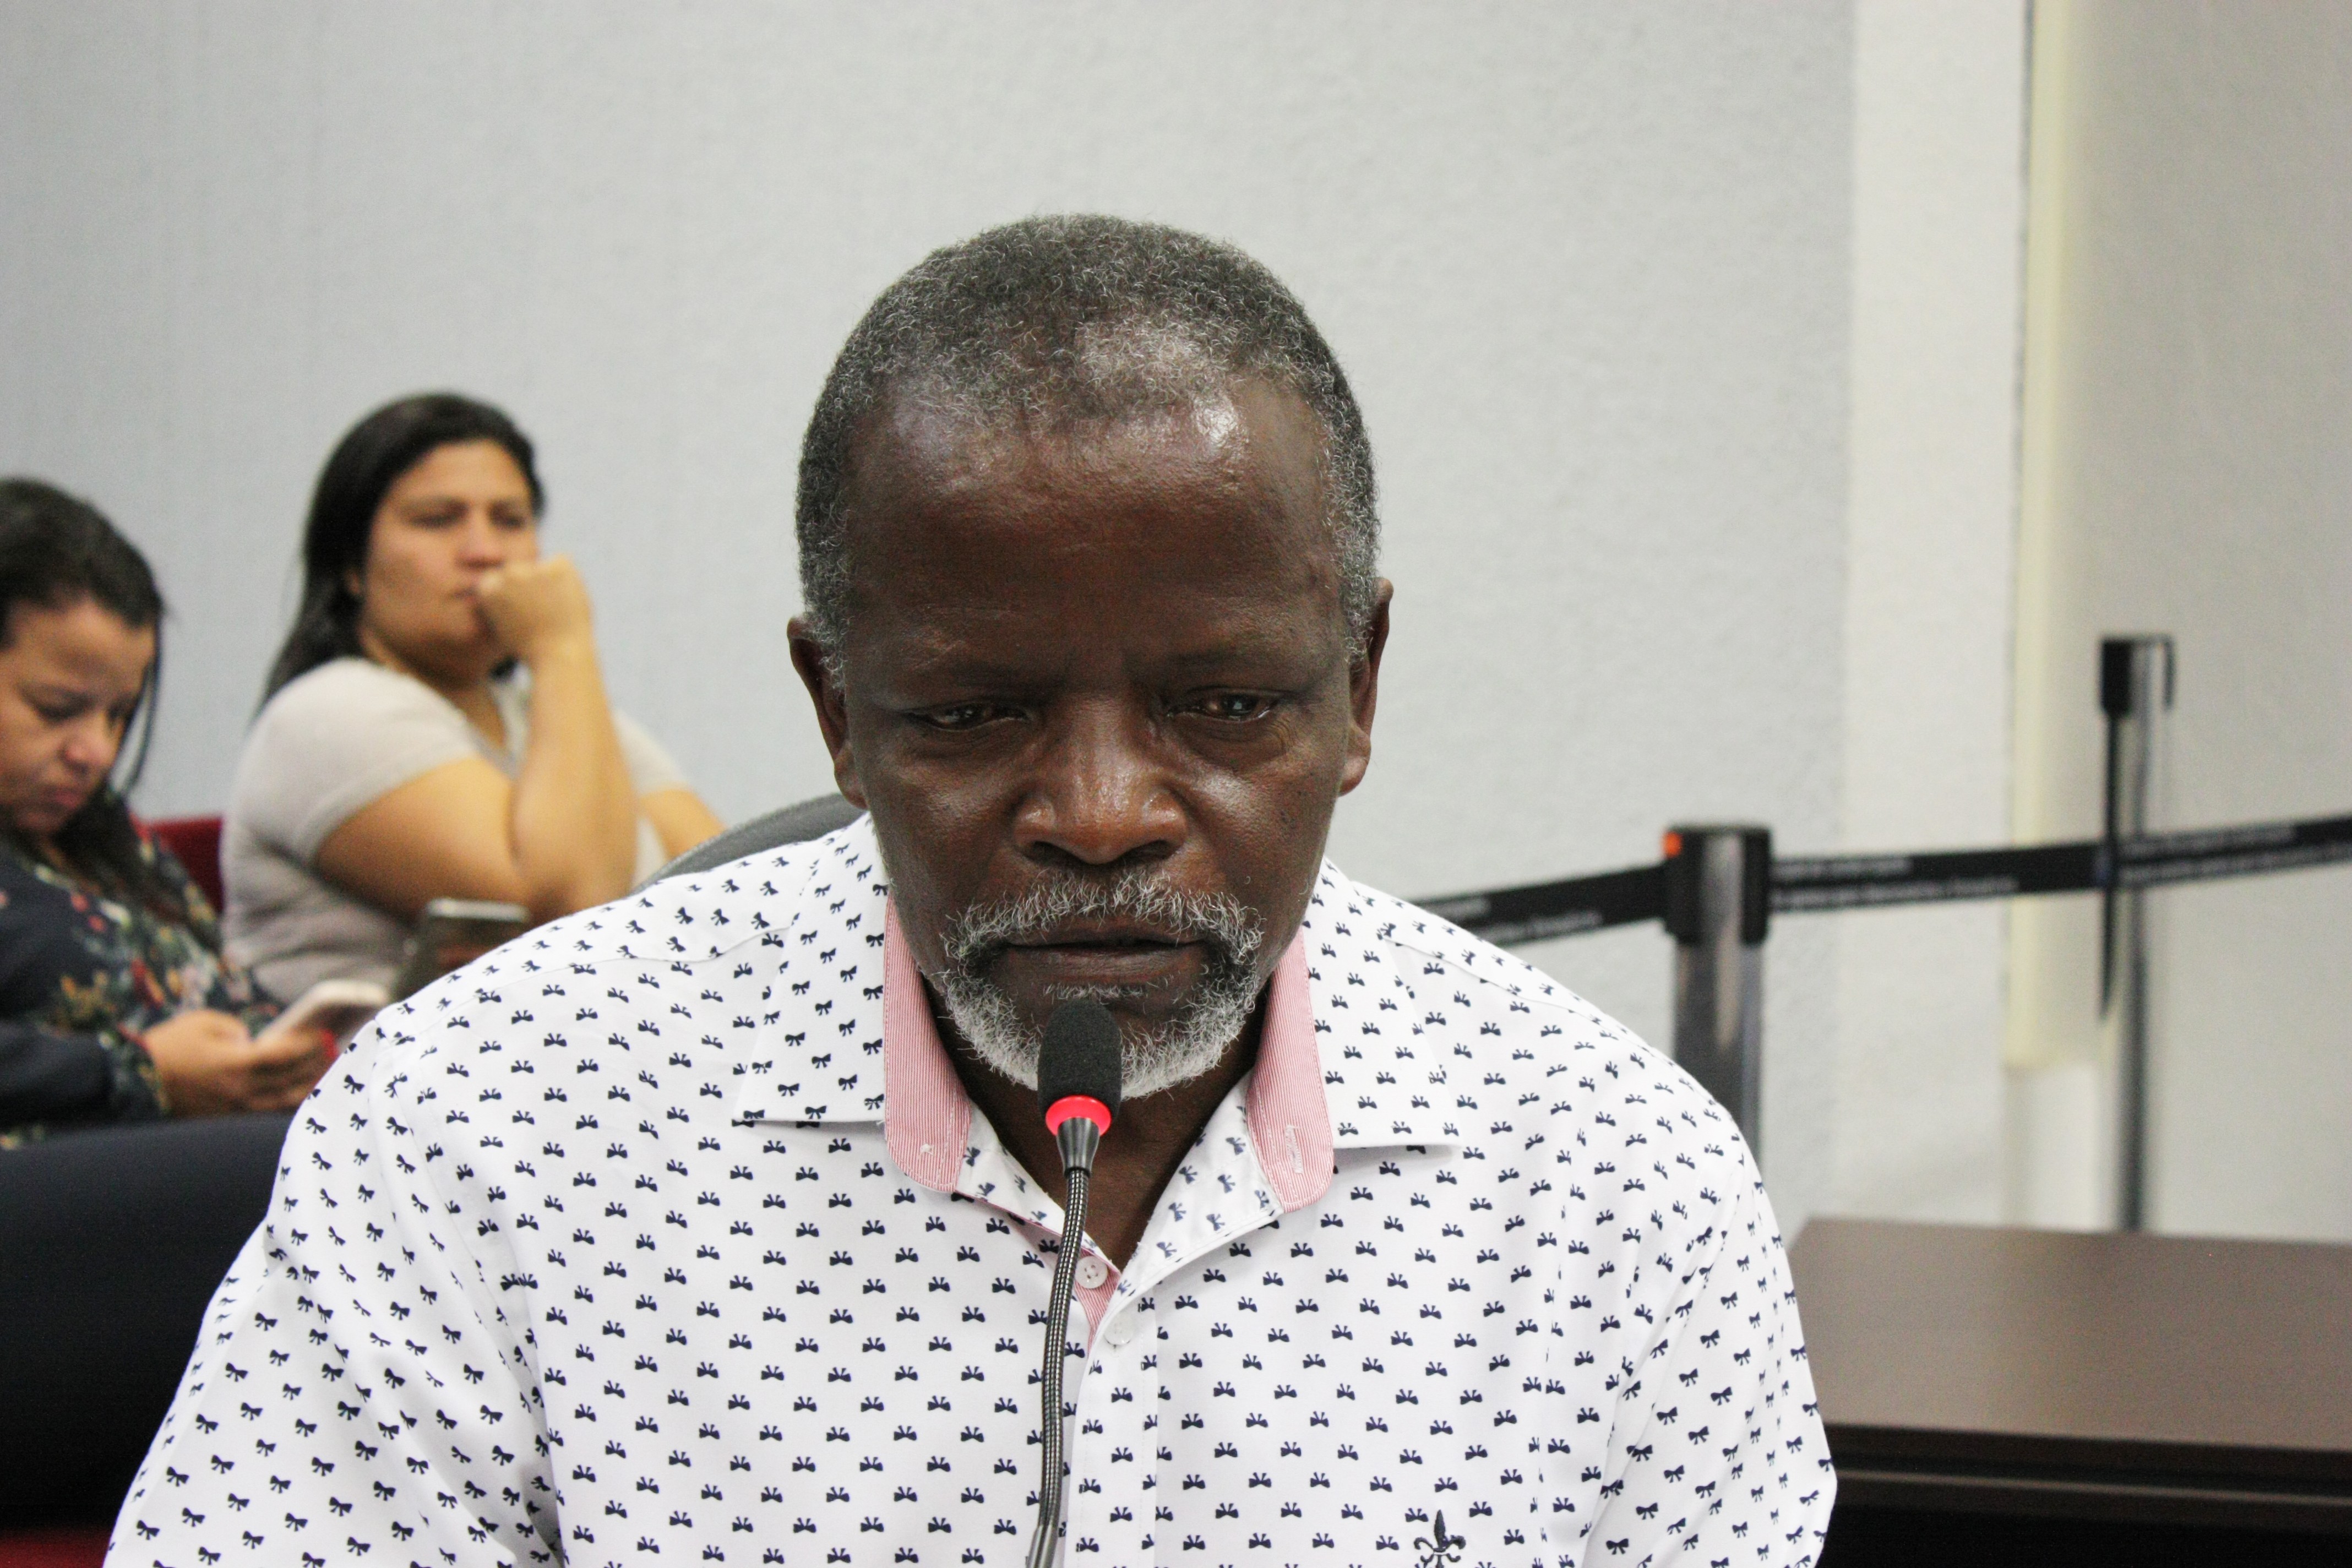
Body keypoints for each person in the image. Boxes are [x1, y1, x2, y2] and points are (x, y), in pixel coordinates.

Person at [119, 220, 1833, 1566]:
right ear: (836, 708)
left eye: (1225, 705)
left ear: (1359, 687)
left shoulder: (1616, 1184)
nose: (1098, 816)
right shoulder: (481, 1127)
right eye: (970, 714)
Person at [222, 394, 724, 1000]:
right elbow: (577, 911)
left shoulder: (553, 716)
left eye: (510, 520)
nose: (485, 551)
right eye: (438, 520)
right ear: (351, 564)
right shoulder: (329, 712)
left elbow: (726, 893)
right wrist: (561, 645)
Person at [0, 478, 331, 1145]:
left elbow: (218, 982)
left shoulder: (101, 829)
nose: (96, 752)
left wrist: (283, 1050)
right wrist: (138, 1071)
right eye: (57, 709)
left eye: (119, 714)